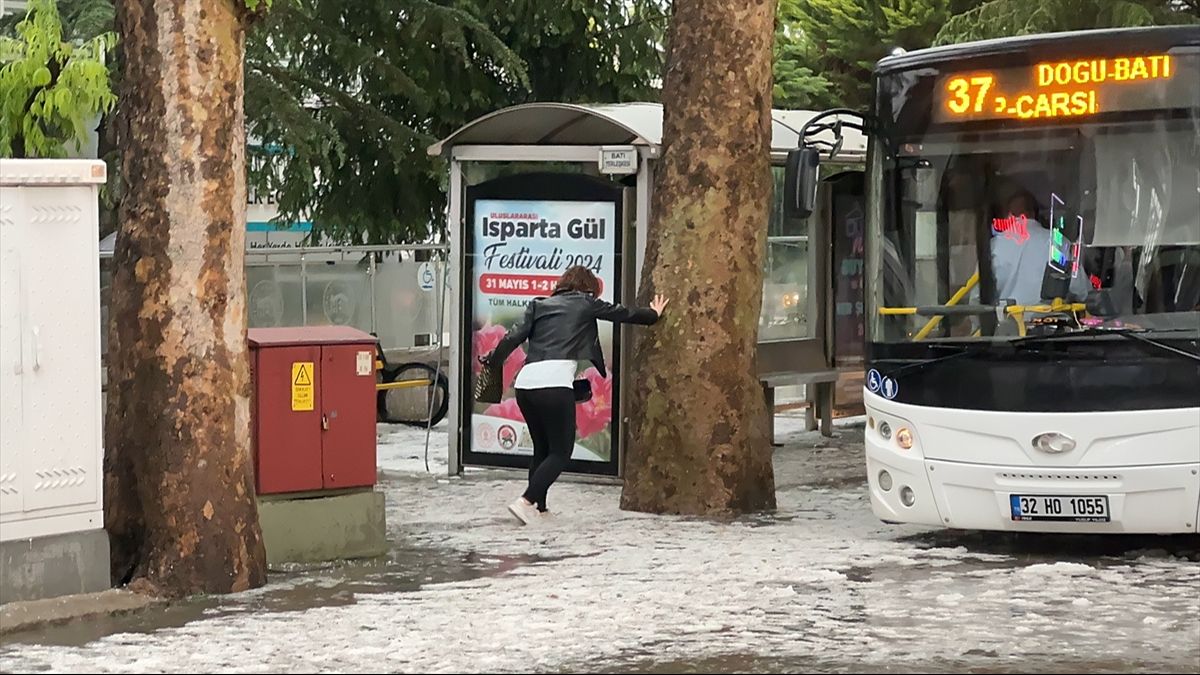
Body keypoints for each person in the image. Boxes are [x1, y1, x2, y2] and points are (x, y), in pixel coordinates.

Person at [484, 266, 668, 525]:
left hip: (525, 383)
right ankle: (526, 501)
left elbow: (512, 337)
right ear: (587, 287)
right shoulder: (585, 302)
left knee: (542, 449)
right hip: (554, 382)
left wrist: (493, 360)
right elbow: (621, 313)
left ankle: (541, 508)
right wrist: (653, 315)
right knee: (560, 452)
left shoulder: (538, 305)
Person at [990, 190, 1091, 307]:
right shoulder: (1057, 240)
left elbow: (978, 297)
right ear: (1036, 214)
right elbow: (1080, 288)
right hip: (1050, 320)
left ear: (1008, 215)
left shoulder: (995, 245)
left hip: (1006, 322)